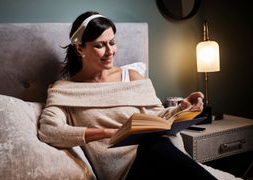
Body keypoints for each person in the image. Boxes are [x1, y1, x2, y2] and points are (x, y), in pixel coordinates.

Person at [38, 11, 218, 180]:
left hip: (156, 156)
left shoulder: (131, 77)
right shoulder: (65, 90)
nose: (110, 51)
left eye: (112, 42)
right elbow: (49, 131)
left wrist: (182, 108)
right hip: (122, 171)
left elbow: (157, 118)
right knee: (156, 148)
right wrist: (106, 133)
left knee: (158, 146)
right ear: (79, 49)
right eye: (100, 45)